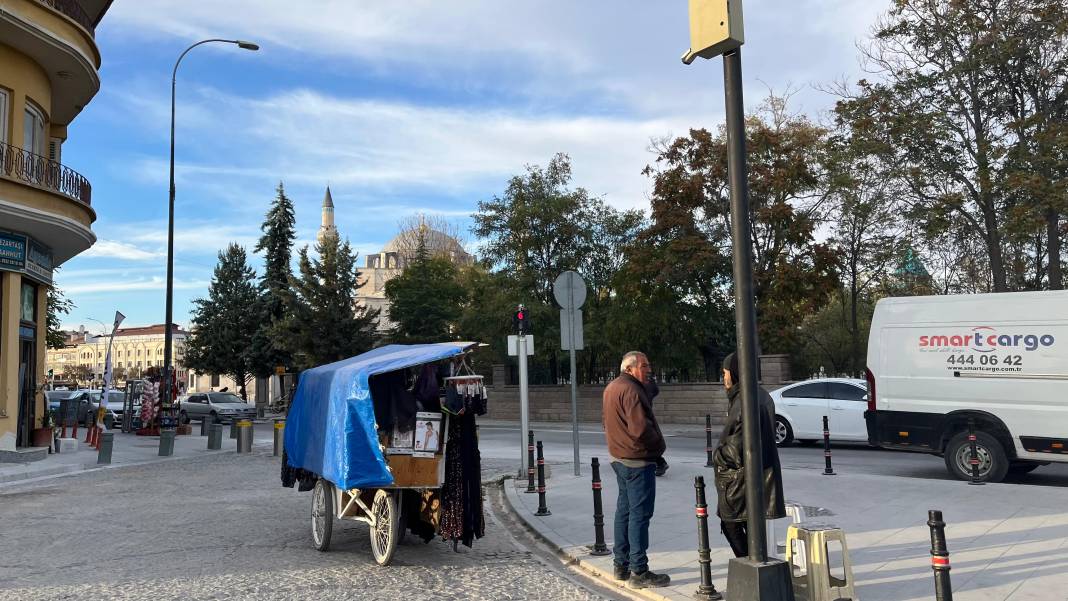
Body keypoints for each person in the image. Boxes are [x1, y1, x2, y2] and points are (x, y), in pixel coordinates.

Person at [602, 351, 670, 589]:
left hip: (620, 457)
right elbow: (641, 429)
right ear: (630, 368)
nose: (649, 369)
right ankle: (639, 571)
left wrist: (648, 381)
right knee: (639, 515)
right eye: (644, 365)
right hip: (636, 460)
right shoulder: (631, 390)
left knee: (625, 512)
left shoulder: (615, 386)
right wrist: (660, 447)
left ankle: (621, 566)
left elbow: (652, 392)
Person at [712, 352, 786, 558]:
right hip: (750, 477)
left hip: (741, 480)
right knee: (743, 526)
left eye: (726, 372)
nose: (723, 378)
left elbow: (738, 450)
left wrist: (717, 454)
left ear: (735, 373)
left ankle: (750, 567)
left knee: (731, 525)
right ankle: (752, 563)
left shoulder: (746, 400)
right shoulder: (754, 395)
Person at [644, 375, 670, 477]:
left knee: (645, 442)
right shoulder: (648, 381)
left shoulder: (640, 383)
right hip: (646, 413)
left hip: (642, 414)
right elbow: (656, 390)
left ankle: (660, 462)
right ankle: (659, 462)